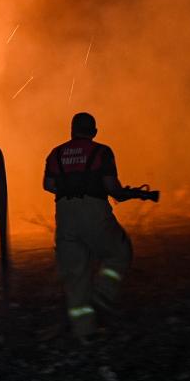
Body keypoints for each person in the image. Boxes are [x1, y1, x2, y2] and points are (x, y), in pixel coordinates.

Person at [43, 111, 133, 340]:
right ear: (94, 131)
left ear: (72, 131)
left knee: (76, 273)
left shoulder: (56, 154)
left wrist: (70, 189)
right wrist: (122, 194)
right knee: (119, 251)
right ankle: (103, 294)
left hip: (64, 214)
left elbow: (49, 184)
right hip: (94, 211)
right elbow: (111, 186)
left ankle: (85, 332)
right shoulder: (102, 152)